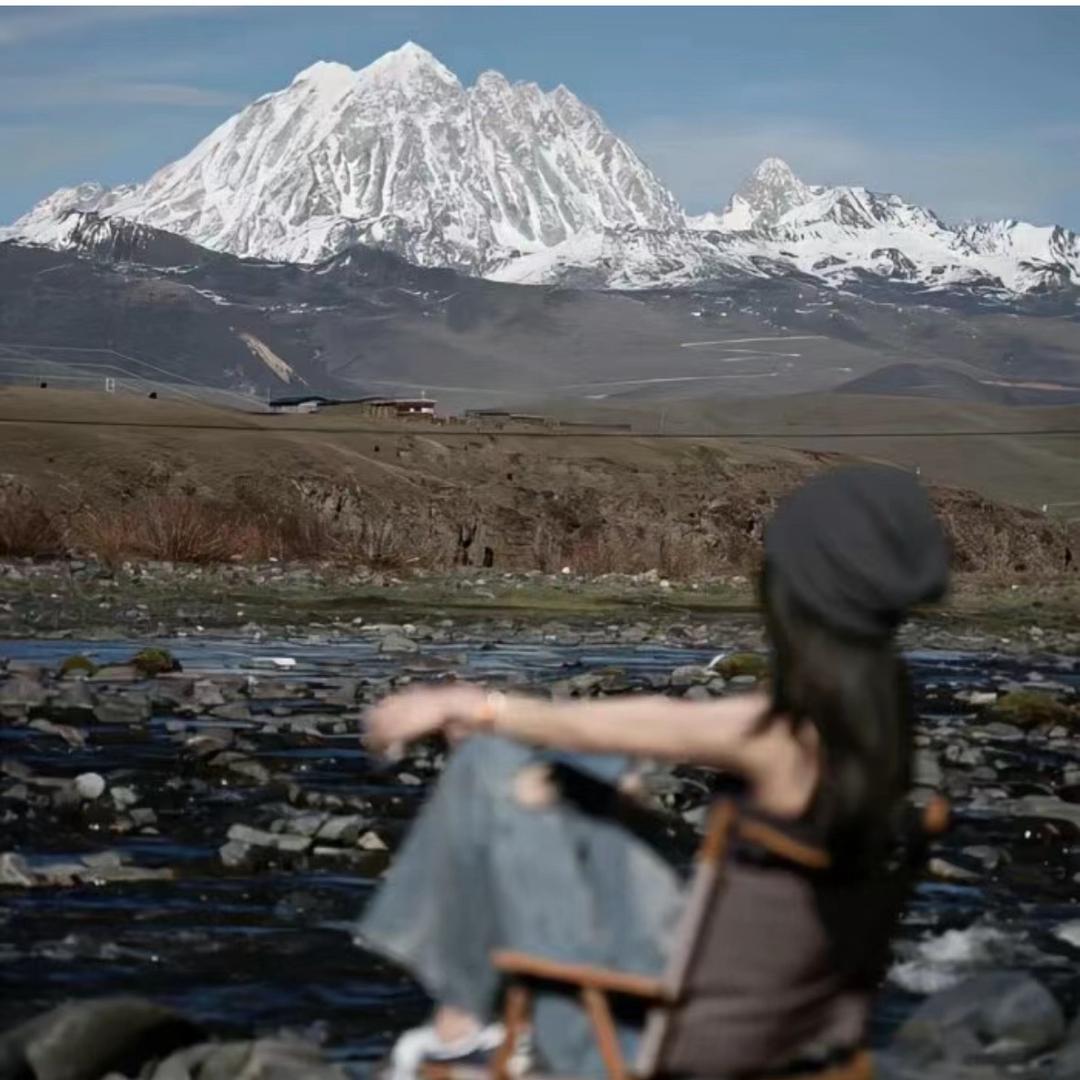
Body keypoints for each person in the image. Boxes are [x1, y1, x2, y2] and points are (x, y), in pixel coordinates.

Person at [358, 465, 950, 1080]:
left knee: (489, 763)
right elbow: (675, 725)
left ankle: (460, 1031)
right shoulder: (881, 724)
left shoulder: (782, 739)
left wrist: (476, 705)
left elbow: (671, 724)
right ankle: (461, 1022)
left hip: (678, 1043)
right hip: (791, 1027)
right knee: (559, 774)